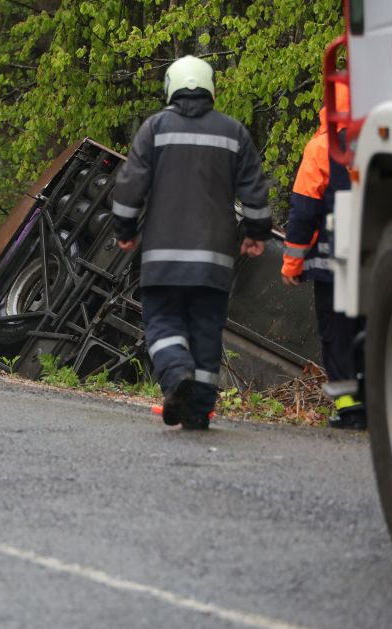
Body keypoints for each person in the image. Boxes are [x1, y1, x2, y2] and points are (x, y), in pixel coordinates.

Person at [111, 55, 272, 430]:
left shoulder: (155, 129)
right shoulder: (234, 133)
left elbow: (130, 185)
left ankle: (177, 374)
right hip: (214, 262)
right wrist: (256, 235)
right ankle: (197, 410)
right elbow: (255, 190)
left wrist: (124, 231)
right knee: (206, 331)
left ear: (170, 87)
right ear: (211, 88)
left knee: (162, 323)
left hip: (162, 260)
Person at [280, 83, 366, 430]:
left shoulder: (320, 148)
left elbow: (304, 211)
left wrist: (292, 264)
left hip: (334, 265)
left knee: (338, 334)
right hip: (380, 262)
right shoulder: (386, 142)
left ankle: (351, 409)